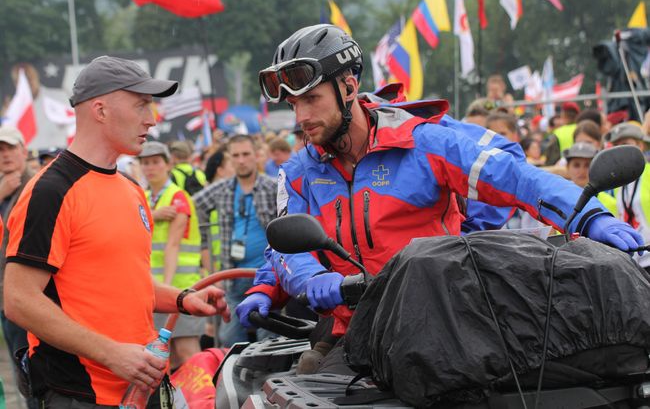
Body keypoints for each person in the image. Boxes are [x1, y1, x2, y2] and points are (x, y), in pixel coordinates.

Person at [236, 24, 642, 340]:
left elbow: (518, 178)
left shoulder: (424, 141)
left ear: (348, 86)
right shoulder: (296, 172)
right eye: (293, 104)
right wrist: (299, 282)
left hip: (444, 325)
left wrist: (590, 217)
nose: (301, 117)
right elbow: (285, 247)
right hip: (351, 334)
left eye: (311, 99)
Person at [3, 56, 230, 407]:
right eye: (141, 105)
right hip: (80, 393)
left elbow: (124, 283)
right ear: (100, 110)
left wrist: (183, 299)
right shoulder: (51, 191)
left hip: (141, 387)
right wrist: (113, 354)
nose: (152, 120)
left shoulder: (130, 188)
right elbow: (19, 300)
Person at [193, 134, 277, 346]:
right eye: (236, 155)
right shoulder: (223, 188)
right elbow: (192, 205)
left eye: (246, 154)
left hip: (267, 275)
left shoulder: (273, 187)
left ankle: (264, 377)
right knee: (229, 338)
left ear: (257, 155)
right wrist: (204, 246)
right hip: (232, 275)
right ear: (229, 159)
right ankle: (237, 378)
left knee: (267, 337)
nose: (241, 160)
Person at [138, 141, 205, 371]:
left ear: (168, 164)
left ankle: (202, 403)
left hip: (178, 287)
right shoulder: (144, 198)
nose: (150, 168)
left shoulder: (178, 197)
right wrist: (154, 214)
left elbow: (173, 246)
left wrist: (165, 287)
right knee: (168, 360)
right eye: (145, 163)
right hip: (153, 289)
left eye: (156, 162)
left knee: (188, 353)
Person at [0, 127, 38, 409]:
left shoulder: (36, 185)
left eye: (10, 148)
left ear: (24, 151)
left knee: (33, 372)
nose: (5, 156)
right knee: (15, 372)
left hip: (29, 296)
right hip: (7, 298)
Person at [604, 122, 650, 267]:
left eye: (625, 144)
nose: (620, 150)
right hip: (634, 261)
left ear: (640, 145)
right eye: (616, 146)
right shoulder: (619, 181)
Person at [563, 142, 617, 215]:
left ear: (596, 168)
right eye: (576, 165)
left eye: (587, 165)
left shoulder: (611, 203)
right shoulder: (560, 199)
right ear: (567, 167)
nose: (581, 171)